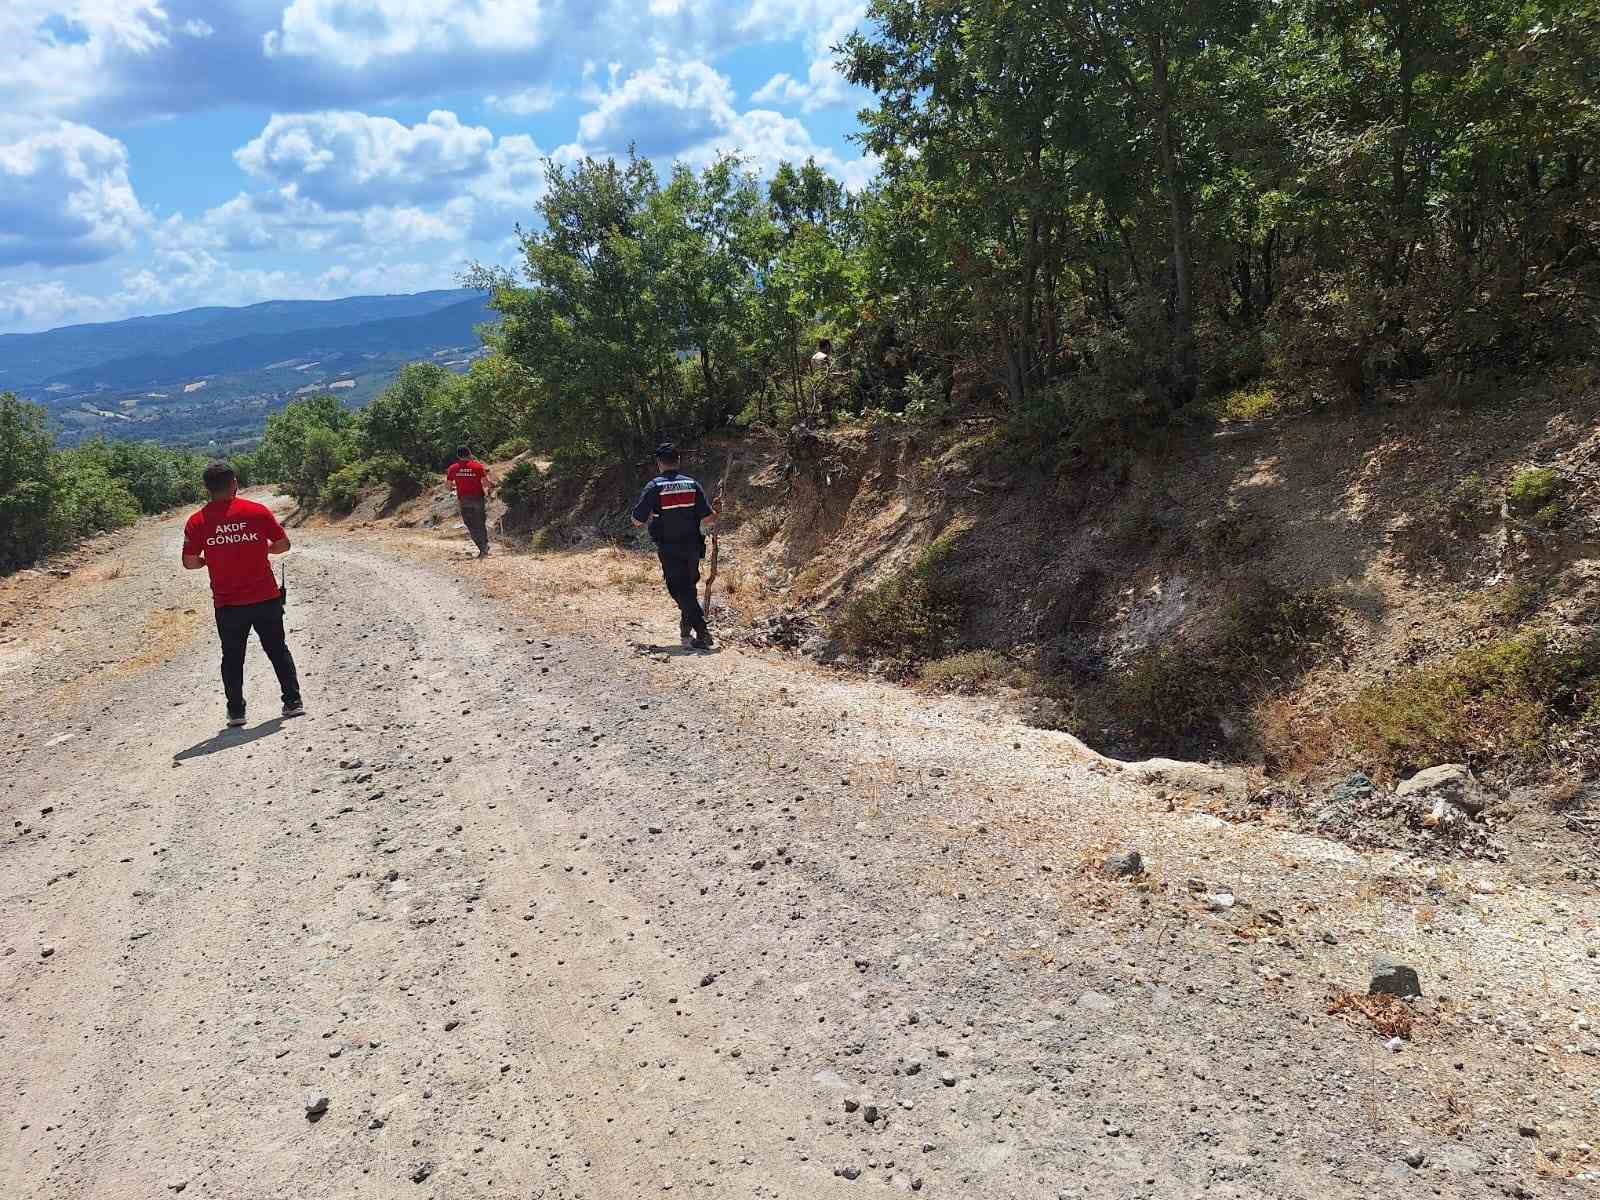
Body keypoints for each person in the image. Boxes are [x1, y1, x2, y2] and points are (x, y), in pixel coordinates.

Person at [181, 462, 303, 728]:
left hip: (228, 603)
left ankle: (236, 711)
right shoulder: (257, 511)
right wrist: (261, 550)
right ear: (234, 483)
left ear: (206, 488)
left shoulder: (197, 522)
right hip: (265, 596)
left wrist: (207, 560)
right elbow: (283, 545)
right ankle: (292, 701)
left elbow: (190, 562)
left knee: (233, 657)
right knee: (277, 649)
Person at [631, 442, 719, 650]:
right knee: (688, 588)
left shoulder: (655, 486)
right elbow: (709, 519)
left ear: (659, 463)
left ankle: (702, 630)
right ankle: (686, 630)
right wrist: (717, 510)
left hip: (670, 548)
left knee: (678, 589)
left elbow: (636, 520)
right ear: (678, 461)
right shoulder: (692, 484)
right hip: (693, 547)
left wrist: (651, 515)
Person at [446, 447, 495, 558]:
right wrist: (493, 485)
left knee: (470, 524)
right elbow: (486, 483)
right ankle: (485, 546)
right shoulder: (478, 466)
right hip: (478, 498)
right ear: (470, 454)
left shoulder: (453, 468)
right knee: (480, 522)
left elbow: (448, 486)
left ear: (458, 456)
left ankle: (482, 547)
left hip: (464, 500)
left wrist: (456, 486)